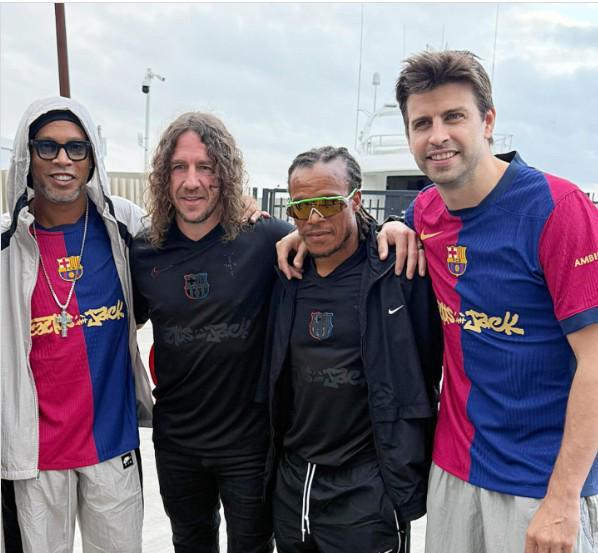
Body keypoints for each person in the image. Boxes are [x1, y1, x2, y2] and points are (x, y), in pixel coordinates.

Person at [386, 50, 597, 553]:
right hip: (454, 471)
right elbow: (377, 228)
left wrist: (563, 499)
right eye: (422, 123)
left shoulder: (558, 209)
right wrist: (309, 233)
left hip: (540, 485)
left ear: (488, 122)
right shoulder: (426, 210)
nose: (437, 135)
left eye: (454, 116)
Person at [261, 146, 442, 553]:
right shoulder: (287, 275)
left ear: (355, 200)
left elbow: (429, 363)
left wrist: (396, 225)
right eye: (301, 208)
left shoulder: (399, 271)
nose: (314, 218)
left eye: (327, 203)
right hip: (294, 483)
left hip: (368, 489)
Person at [129, 111, 293, 553]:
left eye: (206, 167)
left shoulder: (266, 239)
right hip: (177, 442)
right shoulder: (144, 251)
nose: (192, 181)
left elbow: (334, 245)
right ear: (164, 177)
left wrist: (390, 228)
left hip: (249, 445)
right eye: (179, 167)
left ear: (226, 173)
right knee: (189, 544)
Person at [1, 97, 154, 553]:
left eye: (76, 148)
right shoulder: (6, 245)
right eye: (47, 147)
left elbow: (195, 233)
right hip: (34, 457)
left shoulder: (125, 225)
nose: (62, 159)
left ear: (92, 160)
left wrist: (249, 213)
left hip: (113, 446)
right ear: (27, 157)